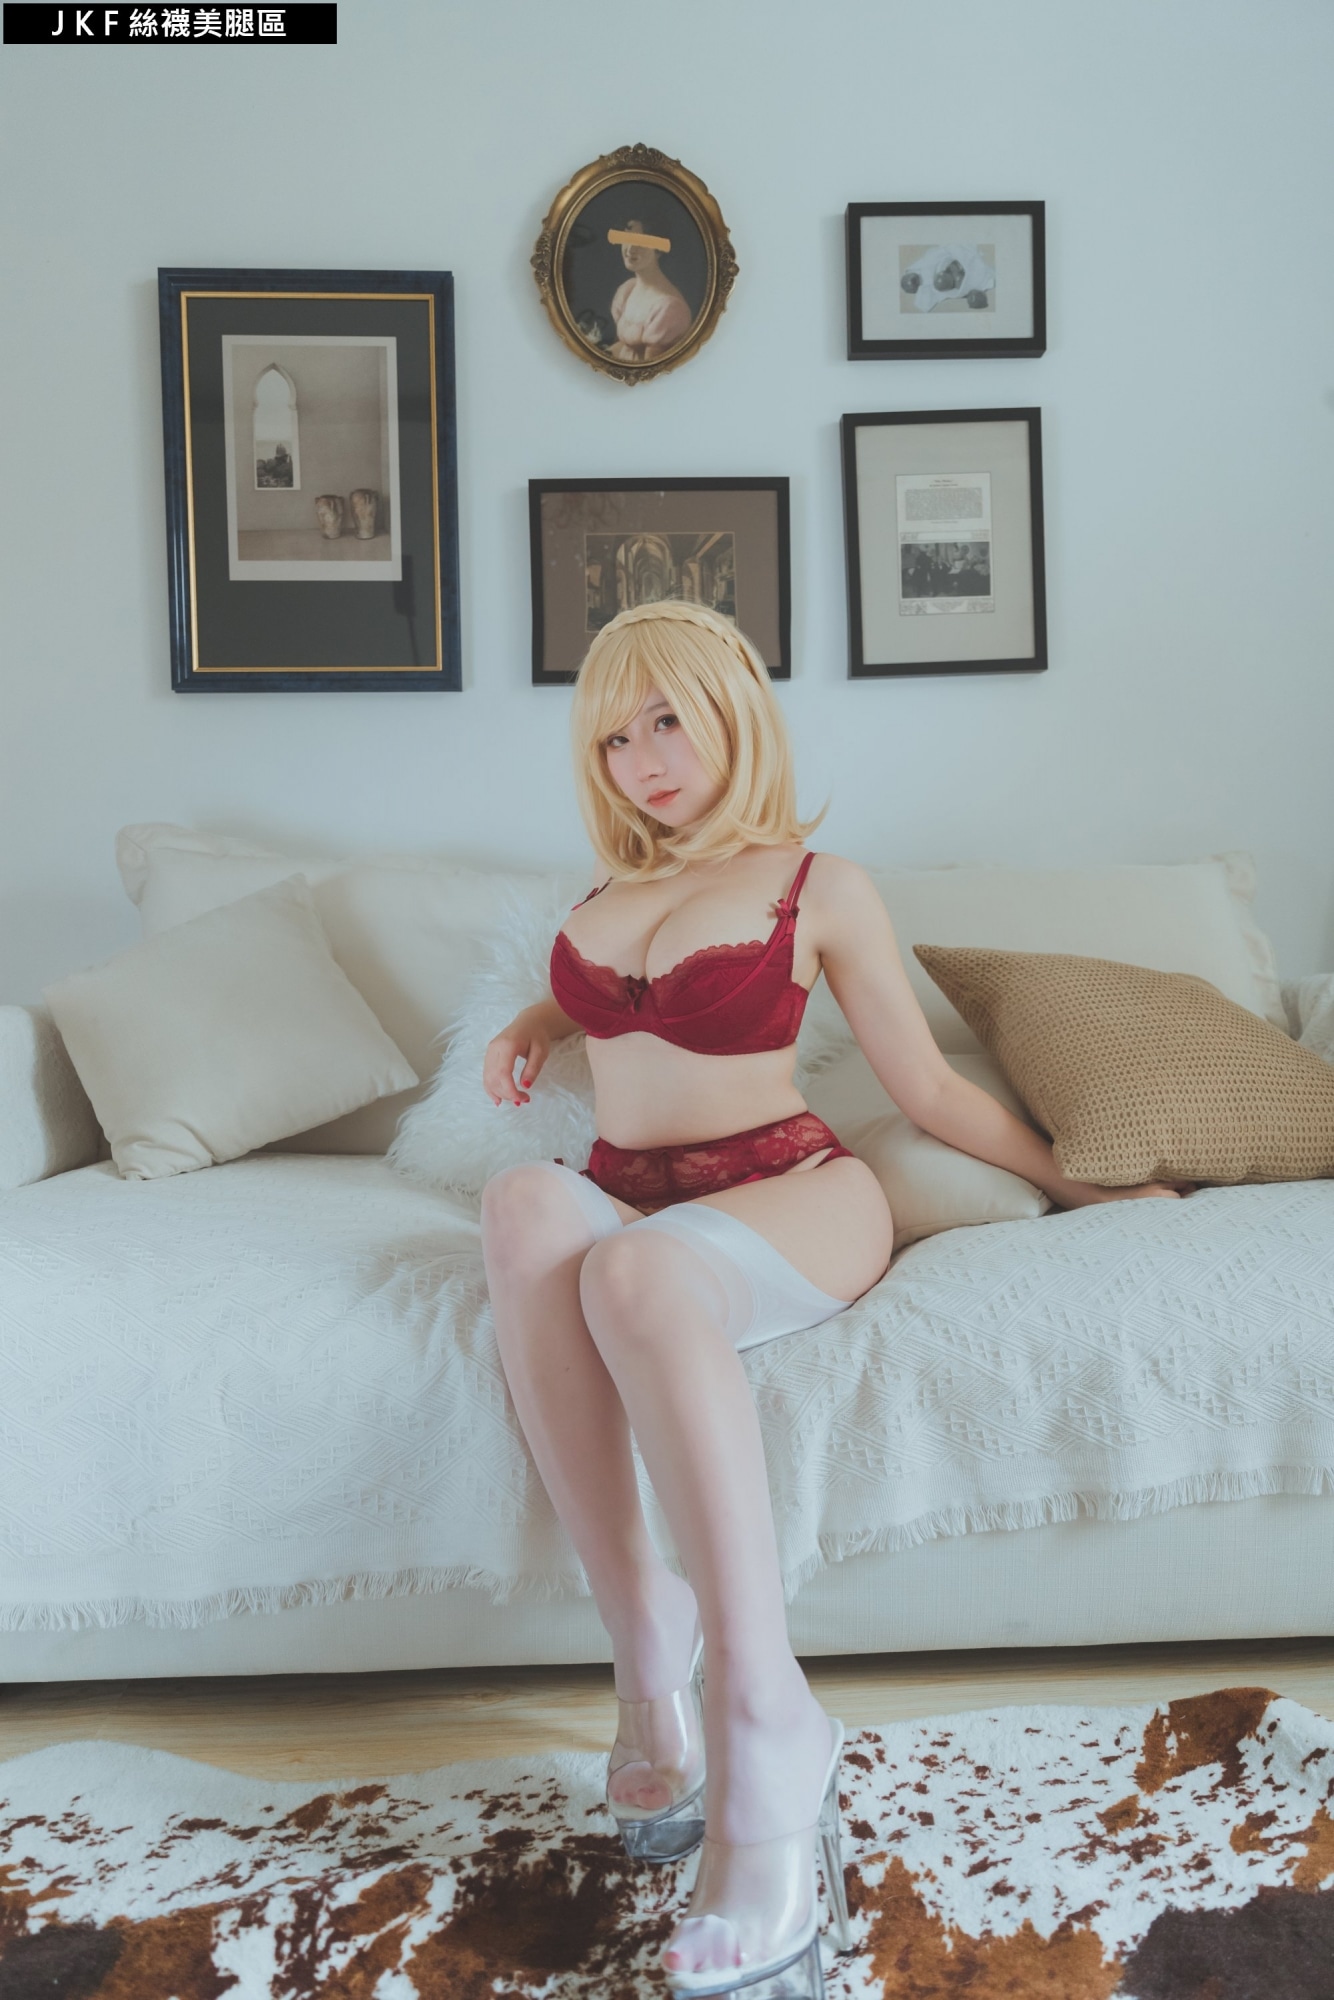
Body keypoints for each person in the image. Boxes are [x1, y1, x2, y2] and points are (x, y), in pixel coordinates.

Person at [478, 601, 1188, 1996]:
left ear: (734, 712)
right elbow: (614, 1006)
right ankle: (645, 1642)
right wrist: (530, 1019)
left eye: (666, 720)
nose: (641, 757)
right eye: (613, 736)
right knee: (519, 1206)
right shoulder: (603, 893)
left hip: (791, 1188)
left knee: (632, 1271)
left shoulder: (821, 885)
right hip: (628, 1185)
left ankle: (763, 1714)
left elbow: (925, 1091)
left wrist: (1086, 1184)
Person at [608, 217, 694, 362]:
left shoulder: (669, 308)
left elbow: (649, 368)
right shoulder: (628, 289)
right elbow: (623, 347)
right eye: (627, 238)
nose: (630, 249)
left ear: (659, 250)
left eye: (641, 242)